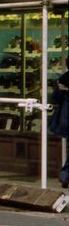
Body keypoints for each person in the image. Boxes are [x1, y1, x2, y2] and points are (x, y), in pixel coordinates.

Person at [49, 58, 69, 188]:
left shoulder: (63, 78)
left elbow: (55, 99)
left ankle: (65, 175)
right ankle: (65, 175)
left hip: (66, 119)